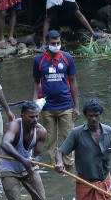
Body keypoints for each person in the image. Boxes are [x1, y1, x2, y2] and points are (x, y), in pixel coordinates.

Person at [0, 102, 53, 200]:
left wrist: (35, 159)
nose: (35, 120)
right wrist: (23, 160)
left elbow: (38, 153)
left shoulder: (41, 131)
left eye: (36, 117)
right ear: (22, 116)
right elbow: (4, 144)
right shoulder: (15, 126)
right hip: (9, 169)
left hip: (28, 168)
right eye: (31, 117)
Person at [32, 30, 78, 169]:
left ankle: (69, 166)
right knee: (50, 140)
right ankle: (55, 166)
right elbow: (36, 83)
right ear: (46, 43)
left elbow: (73, 82)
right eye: (53, 43)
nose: (56, 45)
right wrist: (34, 103)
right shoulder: (39, 61)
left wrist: (76, 107)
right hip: (47, 107)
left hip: (66, 105)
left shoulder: (67, 58)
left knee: (68, 138)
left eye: (58, 43)